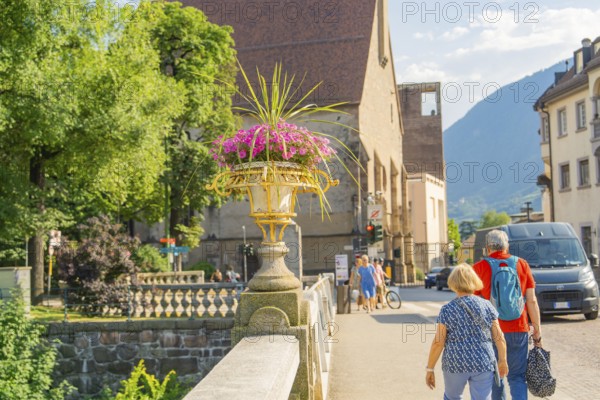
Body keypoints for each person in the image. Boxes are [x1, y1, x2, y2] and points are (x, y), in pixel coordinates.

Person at [472, 230, 543, 400]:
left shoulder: (478, 268)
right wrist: (537, 333)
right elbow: (532, 301)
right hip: (518, 329)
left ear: (488, 248)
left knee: (496, 377)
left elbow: (472, 304)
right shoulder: (522, 264)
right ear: (507, 246)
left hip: (491, 330)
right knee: (517, 377)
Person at [426, 264, 509, 399]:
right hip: (483, 361)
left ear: (453, 283)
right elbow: (499, 337)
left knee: (452, 397)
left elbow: (438, 342)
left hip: (455, 363)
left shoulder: (447, 309)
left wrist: (430, 368)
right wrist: (503, 360)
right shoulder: (486, 305)